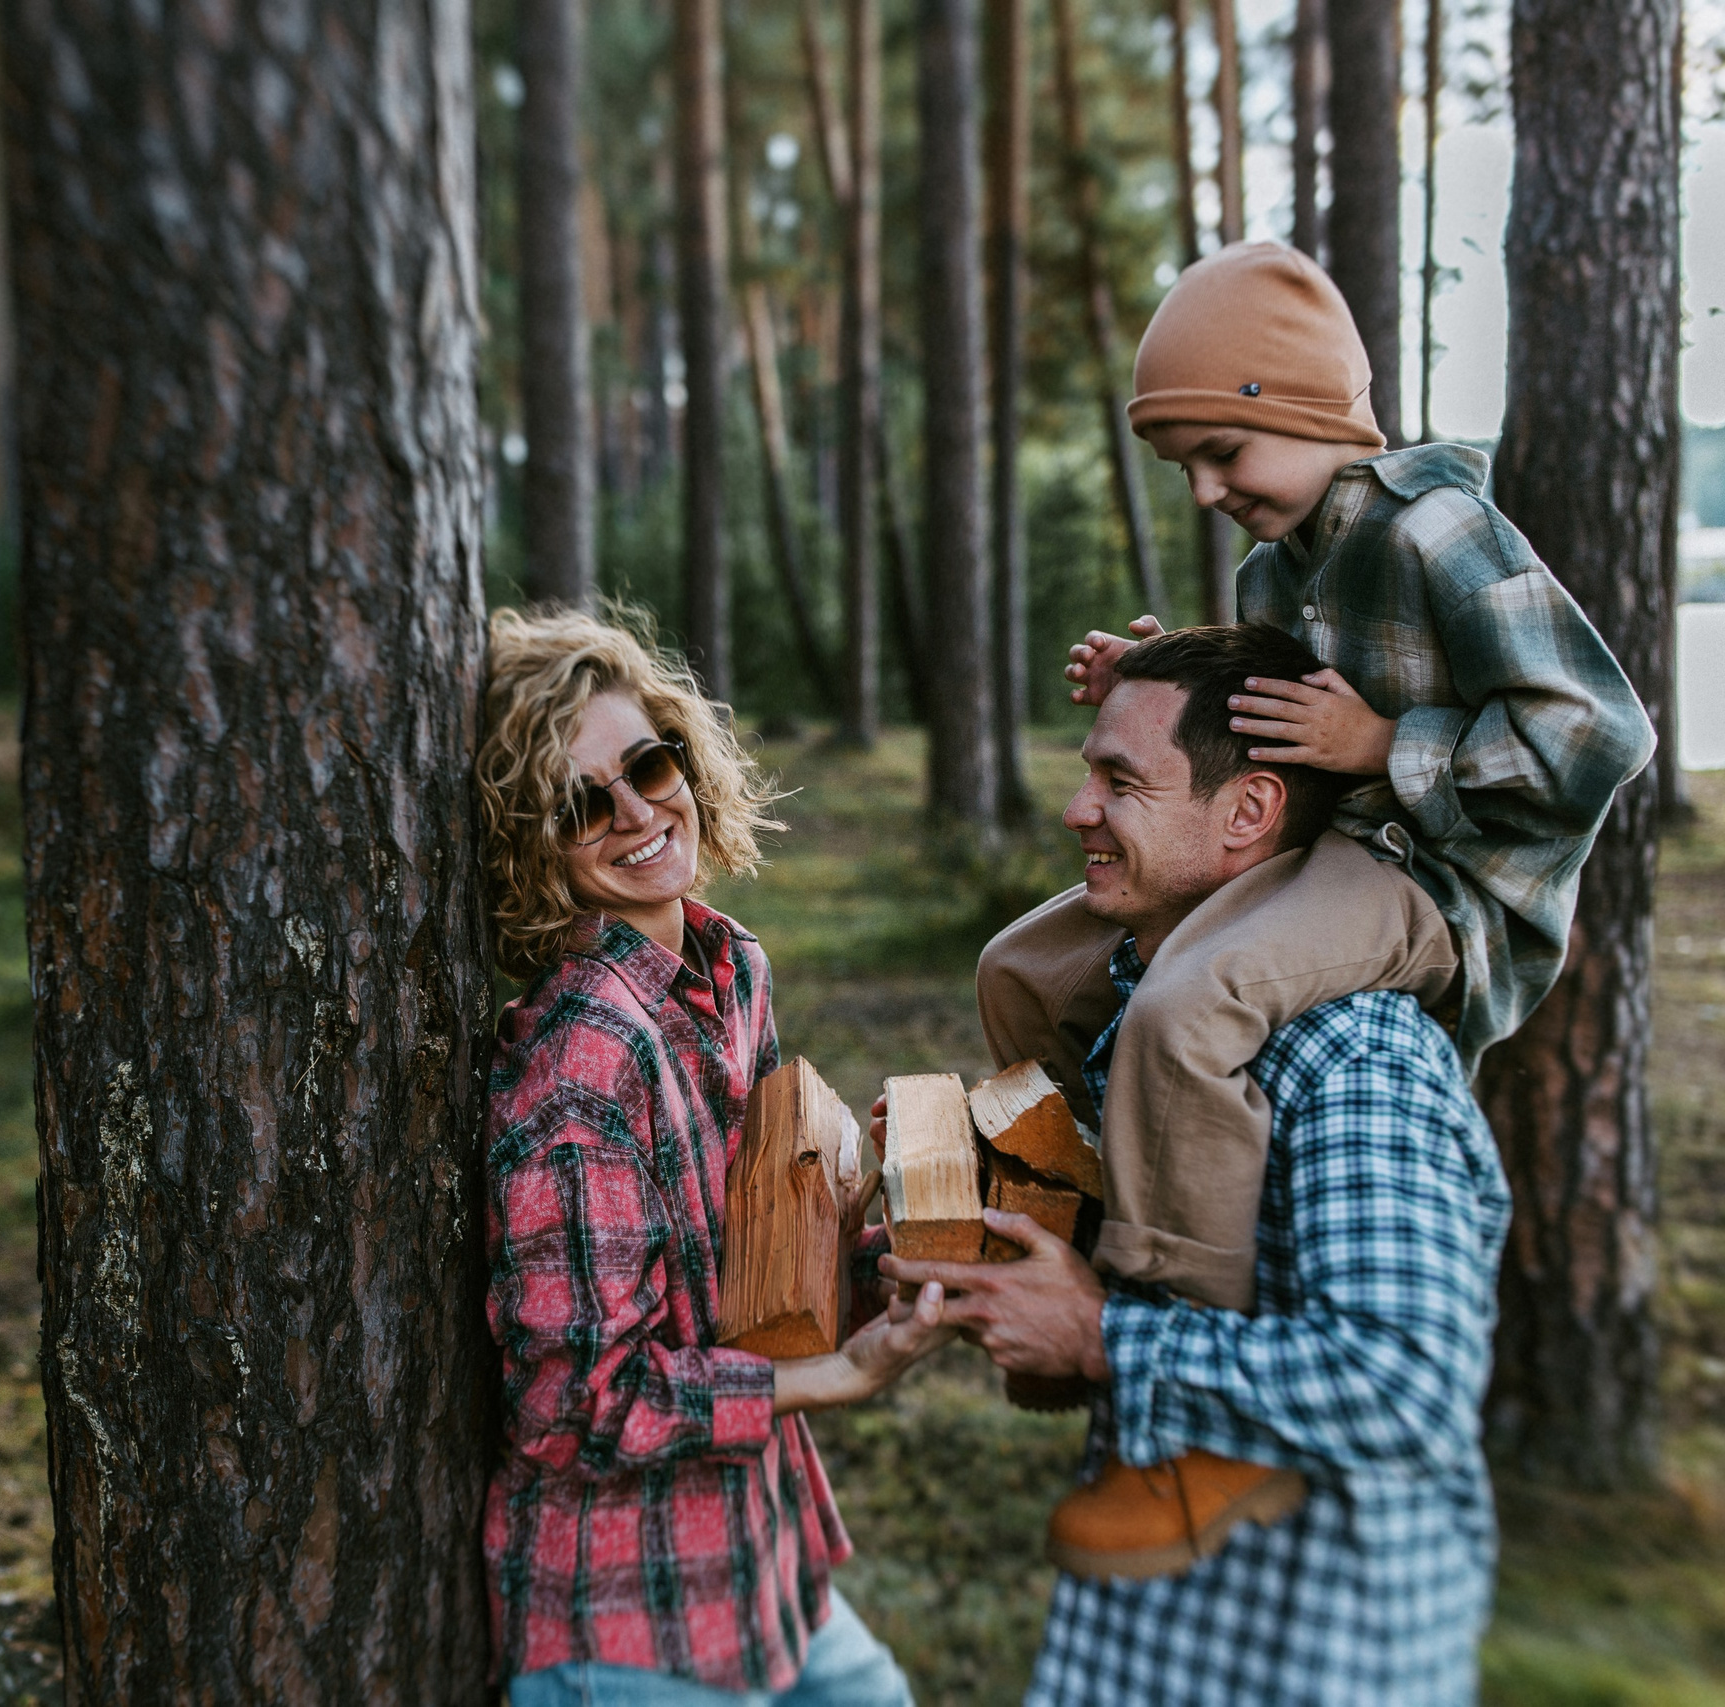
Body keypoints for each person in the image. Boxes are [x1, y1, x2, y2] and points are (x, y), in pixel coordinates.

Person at [979, 240, 1652, 1576]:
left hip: (1439, 881)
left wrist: (1389, 741)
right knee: (1027, 962)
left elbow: (1600, 730)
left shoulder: (1437, 528)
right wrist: (1159, 669)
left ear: (1312, 414)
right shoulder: (1278, 565)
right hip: (1328, 848)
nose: (1208, 487)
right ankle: (1076, 1216)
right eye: (1185, 463)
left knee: (1188, 1002)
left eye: (1225, 449)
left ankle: (1192, 1408)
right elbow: (1264, 714)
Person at [893, 626, 1513, 1703]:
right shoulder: (1136, 1011)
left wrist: (1101, 1336)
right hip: (1138, 1641)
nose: (1077, 810)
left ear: (1248, 812)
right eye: (1090, 773)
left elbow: (1407, 1388)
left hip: (1307, 1648)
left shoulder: (1353, 1058)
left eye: (1119, 782)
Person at [476, 606, 953, 1706]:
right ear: (526, 841)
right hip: (627, 1628)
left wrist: (876, 1245)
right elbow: (575, 1406)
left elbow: (731, 1288)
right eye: (581, 803)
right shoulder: (577, 1066)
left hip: (764, 1577)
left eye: (649, 764)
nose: (638, 812)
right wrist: (839, 1374)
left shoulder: (728, 966)